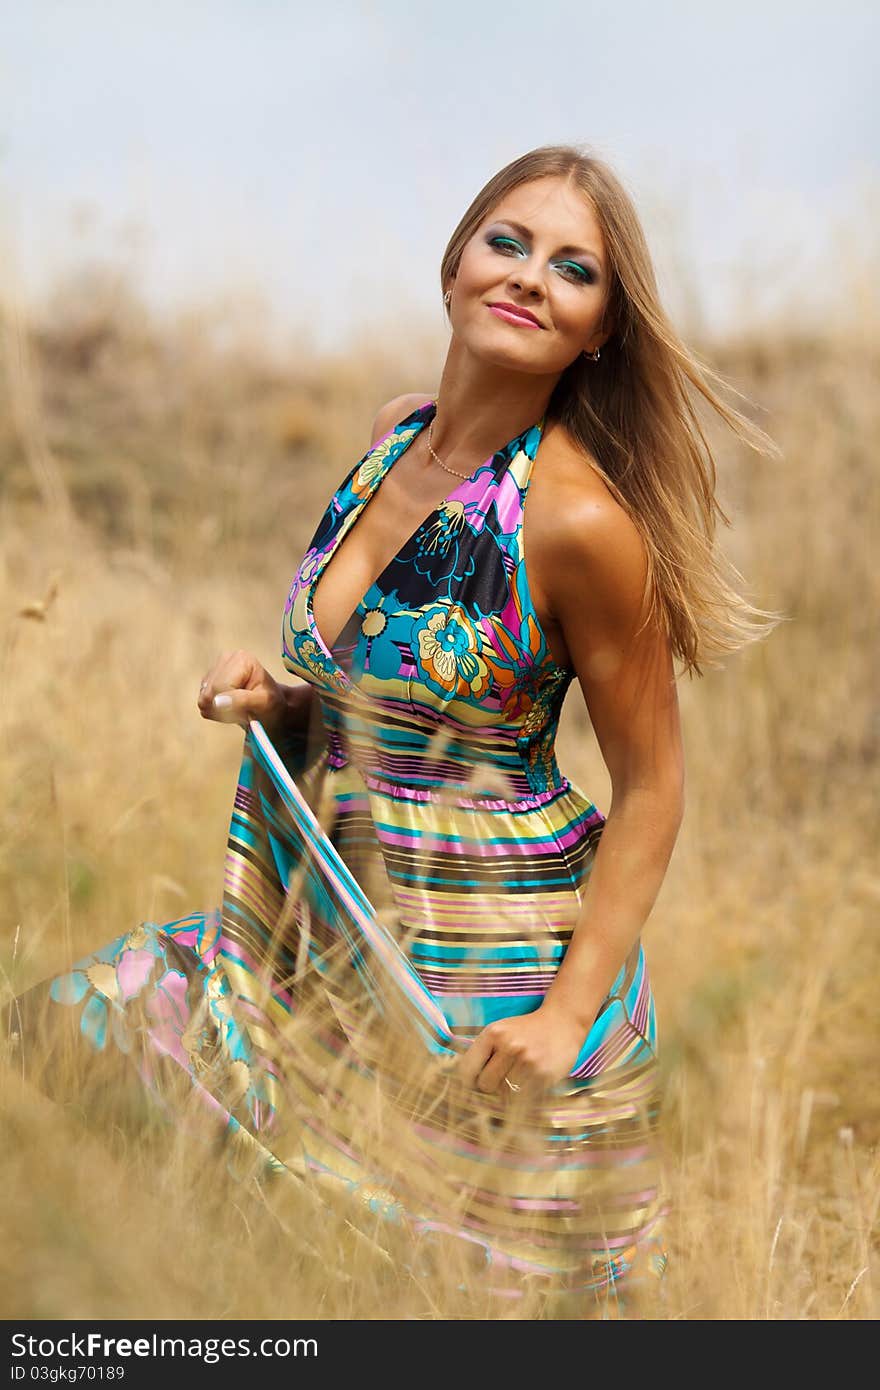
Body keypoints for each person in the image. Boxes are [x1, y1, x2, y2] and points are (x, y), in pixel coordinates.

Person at [4, 143, 781, 1319]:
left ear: (601, 330)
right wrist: (276, 701)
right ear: (455, 263)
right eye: (508, 243)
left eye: (574, 270)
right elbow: (376, 698)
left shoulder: (577, 521)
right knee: (73, 1034)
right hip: (325, 924)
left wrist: (564, 1019)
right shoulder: (389, 439)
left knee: (432, 1297)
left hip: (480, 973)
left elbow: (656, 789)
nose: (529, 278)